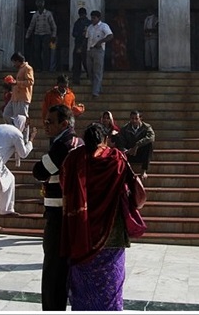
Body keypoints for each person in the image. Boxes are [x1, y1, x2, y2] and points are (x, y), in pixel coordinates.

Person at [60, 122, 131, 311]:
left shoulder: (73, 158)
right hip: (111, 232)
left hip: (81, 232)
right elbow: (126, 187)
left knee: (83, 286)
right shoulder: (116, 158)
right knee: (111, 285)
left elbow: (64, 184)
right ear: (105, 139)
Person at [32, 105, 84, 312]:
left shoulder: (63, 145)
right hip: (75, 214)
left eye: (50, 122)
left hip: (58, 215)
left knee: (53, 270)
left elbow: (39, 171)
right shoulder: (79, 142)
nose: (46, 126)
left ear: (64, 124)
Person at [115, 110, 155, 180]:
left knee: (149, 145)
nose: (134, 121)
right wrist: (127, 151)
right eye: (132, 118)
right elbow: (120, 143)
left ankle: (143, 171)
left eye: (136, 119)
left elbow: (151, 137)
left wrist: (137, 145)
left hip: (141, 153)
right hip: (129, 153)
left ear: (140, 118)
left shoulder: (146, 127)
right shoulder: (125, 129)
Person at [86, 10, 114, 98]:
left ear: (98, 18)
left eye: (94, 18)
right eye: (91, 18)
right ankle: (98, 87)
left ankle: (95, 91)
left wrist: (101, 41)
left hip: (98, 50)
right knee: (90, 70)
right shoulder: (90, 27)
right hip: (89, 50)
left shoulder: (104, 26)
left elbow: (110, 35)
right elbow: (86, 38)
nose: (92, 19)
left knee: (97, 71)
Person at [25, 0, 57, 71]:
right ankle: (39, 67)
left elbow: (53, 25)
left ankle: (45, 68)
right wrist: (27, 36)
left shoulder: (48, 14)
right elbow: (31, 26)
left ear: (43, 5)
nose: (39, 6)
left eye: (40, 4)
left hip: (47, 34)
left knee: (46, 52)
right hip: (37, 34)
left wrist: (53, 36)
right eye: (38, 4)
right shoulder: (35, 15)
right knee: (37, 51)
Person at [2, 52, 34, 124]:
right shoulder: (21, 69)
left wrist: (17, 83)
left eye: (14, 62)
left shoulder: (27, 68)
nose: (14, 65)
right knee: (6, 114)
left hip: (22, 97)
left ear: (18, 61)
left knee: (22, 119)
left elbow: (30, 82)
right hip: (15, 97)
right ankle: (14, 128)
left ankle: (22, 131)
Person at [71, 7, 91, 85]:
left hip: (86, 44)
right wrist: (79, 34)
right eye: (80, 15)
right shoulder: (77, 23)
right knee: (76, 62)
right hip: (78, 43)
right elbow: (74, 34)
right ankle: (76, 79)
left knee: (86, 62)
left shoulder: (89, 23)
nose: (81, 16)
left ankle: (89, 74)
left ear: (85, 14)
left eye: (83, 14)